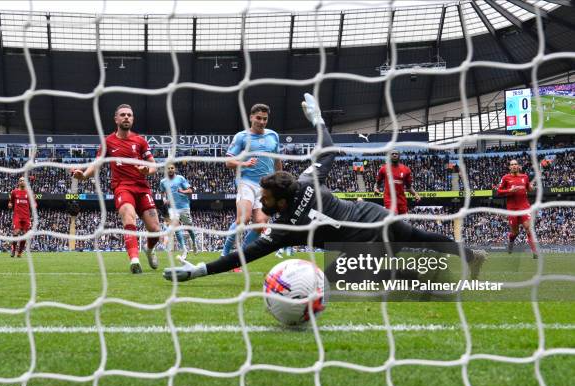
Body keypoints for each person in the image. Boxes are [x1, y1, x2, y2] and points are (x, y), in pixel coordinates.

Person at [164, 93, 487, 282]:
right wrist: (317, 120)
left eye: (265, 198)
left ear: (278, 200)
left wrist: (199, 272)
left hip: (361, 246)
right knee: (421, 240)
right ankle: (471, 255)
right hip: (374, 217)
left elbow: (242, 257)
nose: (263, 202)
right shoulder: (307, 180)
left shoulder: (285, 228)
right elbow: (330, 150)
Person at [73, 104, 160, 274]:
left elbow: (154, 166)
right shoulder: (108, 142)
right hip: (122, 187)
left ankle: (149, 250)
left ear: (132, 119)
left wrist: (146, 170)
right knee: (128, 215)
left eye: (129, 115)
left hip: (142, 189)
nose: (126, 117)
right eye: (123, 115)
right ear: (116, 119)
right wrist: (83, 176)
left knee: (155, 229)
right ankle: (134, 259)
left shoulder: (140, 141)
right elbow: (96, 166)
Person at [221, 103, 282, 269]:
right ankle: (224, 254)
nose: (262, 122)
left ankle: (238, 258)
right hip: (246, 182)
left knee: (260, 224)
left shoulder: (274, 136)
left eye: (265, 119)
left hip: (266, 186)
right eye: (258, 118)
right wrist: (245, 163)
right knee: (243, 219)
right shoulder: (242, 137)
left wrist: (280, 180)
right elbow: (228, 162)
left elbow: (277, 160)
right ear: (251, 117)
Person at [496, 159, 538, 259]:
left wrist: (531, 187)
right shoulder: (506, 178)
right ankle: (511, 241)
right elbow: (498, 191)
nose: (514, 166)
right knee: (515, 233)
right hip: (512, 208)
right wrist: (509, 190)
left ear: (518, 166)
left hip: (524, 206)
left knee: (528, 228)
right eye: (512, 164)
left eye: (516, 164)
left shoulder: (525, 177)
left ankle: (535, 252)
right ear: (509, 167)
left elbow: (529, 188)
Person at [159, 163, 197, 258]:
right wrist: (164, 200)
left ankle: (194, 243)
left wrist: (182, 191)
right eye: (169, 168)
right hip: (173, 208)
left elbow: (190, 191)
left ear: (174, 169)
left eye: (172, 168)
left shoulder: (180, 178)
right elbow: (162, 191)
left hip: (184, 207)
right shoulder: (163, 182)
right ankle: (184, 249)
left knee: (189, 228)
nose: (170, 169)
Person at [374, 150, 421, 214]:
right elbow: (377, 183)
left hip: (401, 199)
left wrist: (415, 194)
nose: (394, 155)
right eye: (392, 154)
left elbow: (409, 187)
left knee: (401, 220)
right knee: (394, 215)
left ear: (399, 156)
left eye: (396, 154)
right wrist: (376, 189)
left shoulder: (406, 169)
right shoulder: (384, 169)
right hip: (389, 199)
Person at [9, 177, 33, 257]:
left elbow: (32, 203)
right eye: (21, 180)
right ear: (18, 182)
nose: (22, 182)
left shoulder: (29, 192)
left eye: (24, 180)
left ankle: (19, 252)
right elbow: (11, 202)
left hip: (26, 217)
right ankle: (13, 249)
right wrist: (10, 204)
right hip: (17, 216)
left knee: (25, 235)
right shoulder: (14, 192)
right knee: (16, 232)